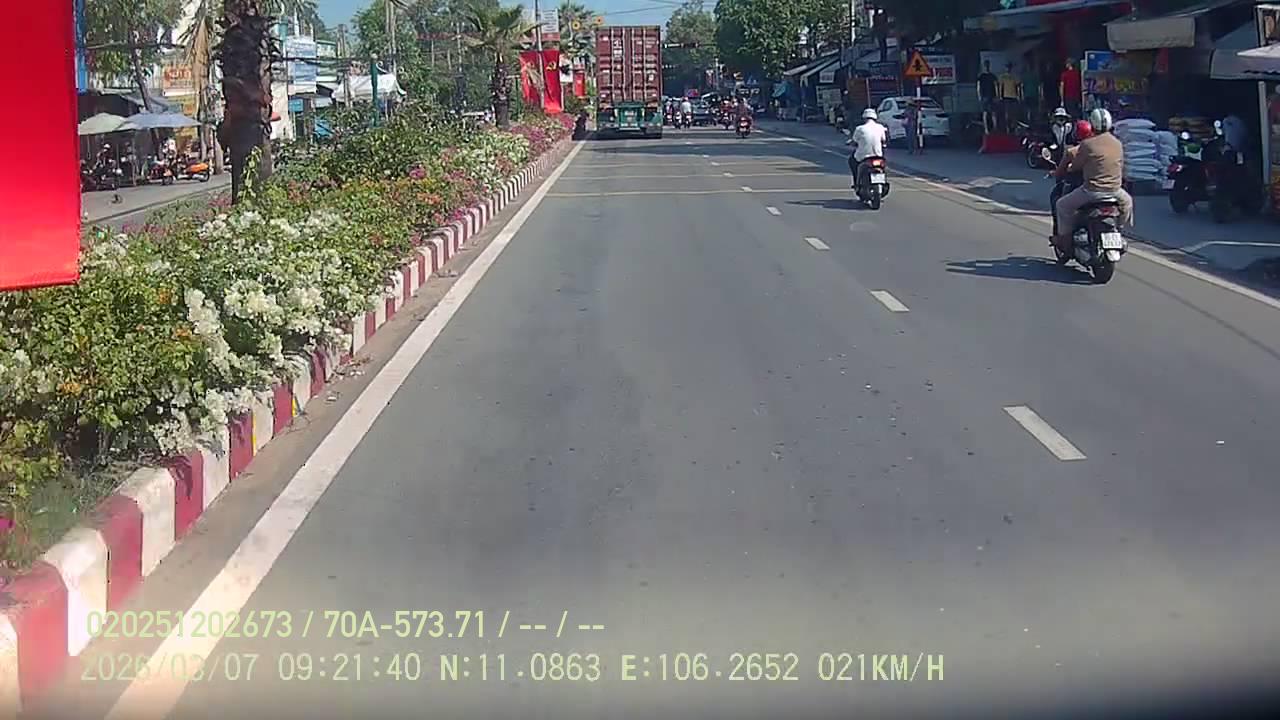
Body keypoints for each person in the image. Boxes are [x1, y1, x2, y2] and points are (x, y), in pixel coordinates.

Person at [1053, 108, 1134, 253]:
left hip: (1091, 192)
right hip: (1115, 192)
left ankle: (1064, 240)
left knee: (1061, 205)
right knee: (1128, 203)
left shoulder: (1087, 144)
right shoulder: (1118, 143)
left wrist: (1070, 168)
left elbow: (1076, 166)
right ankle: (1119, 229)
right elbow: (1121, 166)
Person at [1049, 119, 1094, 237]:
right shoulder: (1099, 148)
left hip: (1083, 188)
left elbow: (1062, 170)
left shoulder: (1072, 151)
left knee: (1059, 203)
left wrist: (1057, 172)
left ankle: (1063, 236)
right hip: (1106, 188)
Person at [846, 108, 888, 188]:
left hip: (863, 156)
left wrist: (851, 143)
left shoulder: (860, 128)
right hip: (878, 155)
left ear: (864, 118)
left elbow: (854, 141)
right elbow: (884, 140)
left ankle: (856, 182)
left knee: (852, 161)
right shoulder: (880, 127)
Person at [999, 62, 1022, 130]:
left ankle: (1013, 126)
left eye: (1009, 67)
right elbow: (1001, 86)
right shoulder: (1003, 77)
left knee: (1014, 113)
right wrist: (1000, 96)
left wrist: (1018, 95)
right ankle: (1007, 127)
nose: (1008, 69)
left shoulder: (1014, 76)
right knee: (1007, 112)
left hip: (1014, 96)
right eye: (1007, 67)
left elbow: (1018, 86)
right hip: (1006, 96)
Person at [977, 61, 999, 132]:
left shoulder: (992, 76)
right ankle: (986, 129)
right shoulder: (981, 76)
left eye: (987, 65)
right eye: (985, 66)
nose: (986, 67)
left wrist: (997, 95)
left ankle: (995, 128)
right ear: (984, 67)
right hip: (985, 96)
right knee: (985, 113)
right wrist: (979, 96)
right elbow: (978, 87)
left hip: (992, 96)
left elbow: (996, 86)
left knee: (993, 113)